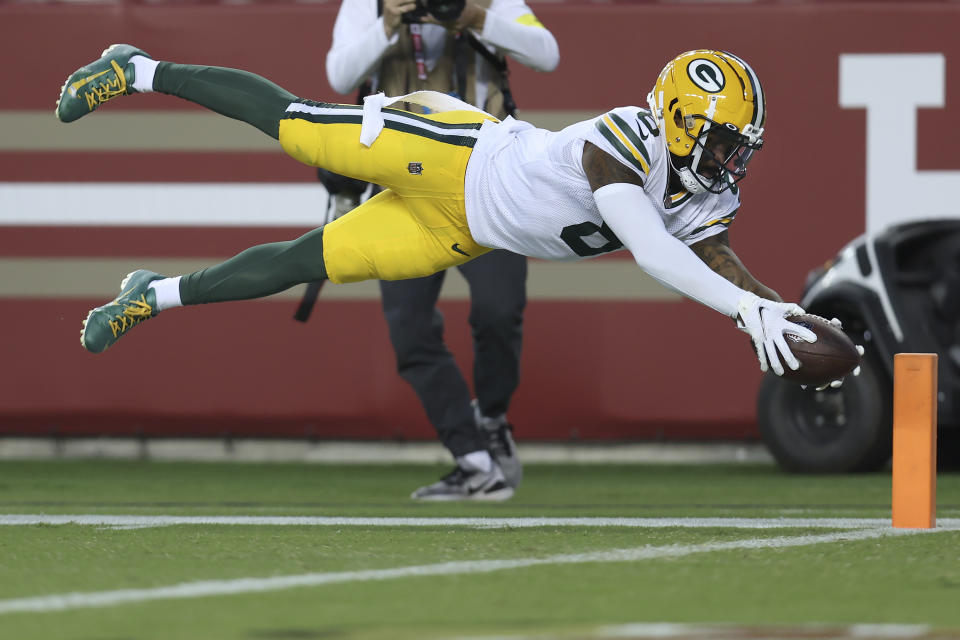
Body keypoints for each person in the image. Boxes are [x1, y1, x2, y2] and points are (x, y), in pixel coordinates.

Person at [57, 46, 831, 500]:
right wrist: (742, 310)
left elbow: (716, 256)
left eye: (742, 146)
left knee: (305, 261)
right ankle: (138, 68)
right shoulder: (627, 139)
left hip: (458, 230)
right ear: (683, 122)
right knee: (296, 127)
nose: (735, 160)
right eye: (727, 141)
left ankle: (149, 294)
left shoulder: (708, 189)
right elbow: (654, 251)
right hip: (451, 153)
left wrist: (781, 314)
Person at [317, 0, 559, 500]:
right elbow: (340, 74)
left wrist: (472, 18)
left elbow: (547, 54)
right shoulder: (368, 3)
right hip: (401, 185)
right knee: (408, 329)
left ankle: (490, 417)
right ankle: (472, 459)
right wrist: (387, 23)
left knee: (500, 310)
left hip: (489, 180)